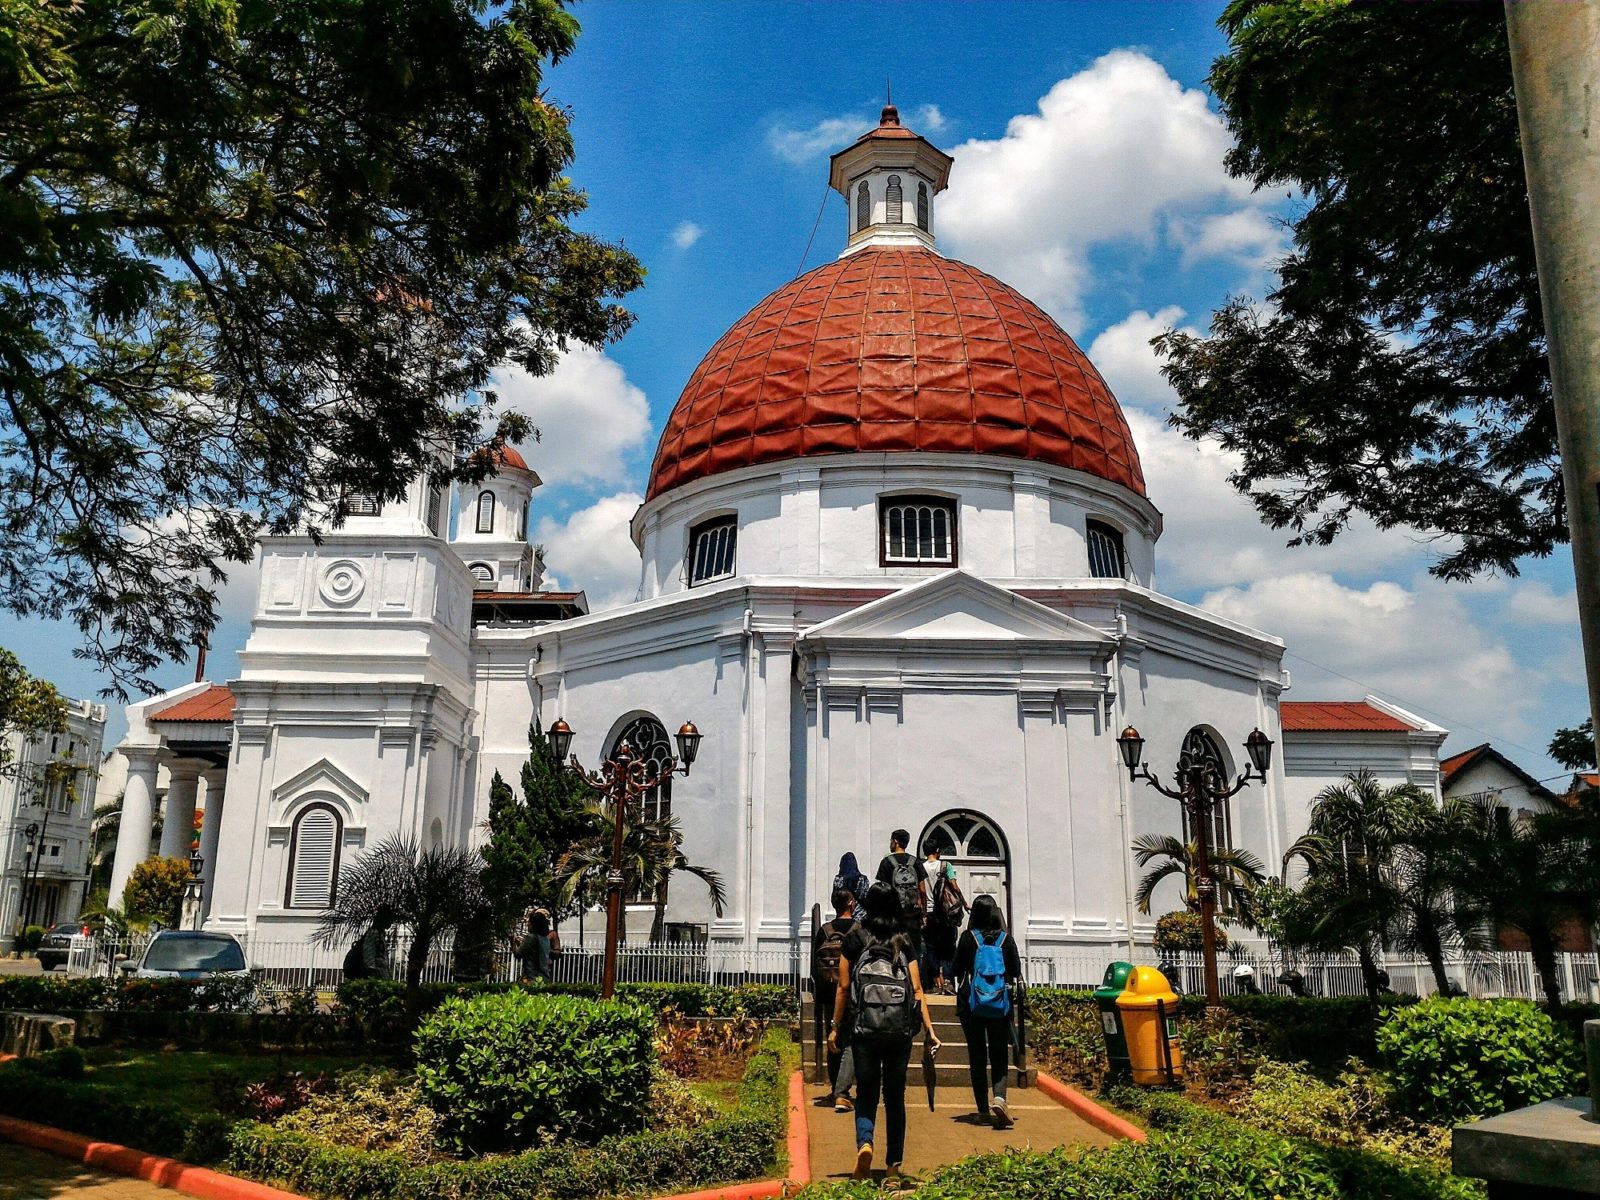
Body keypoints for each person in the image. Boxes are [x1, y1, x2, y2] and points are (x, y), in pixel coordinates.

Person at [829, 882, 940, 1186]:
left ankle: (865, 1144)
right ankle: (893, 1168)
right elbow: (917, 990)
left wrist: (836, 1027)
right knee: (894, 1098)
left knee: (866, 1092)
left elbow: (842, 986)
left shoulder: (855, 938)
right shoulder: (904, 940)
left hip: (863, 1030)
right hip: (899, 1032)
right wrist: (930, 1031)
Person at [952, 894, 1022, 1129]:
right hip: (999, 1005)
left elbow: (956, 968)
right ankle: (1000, 1098)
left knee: (977, 1056)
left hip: (971, 1005)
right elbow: (1014, 970)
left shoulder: (968, 938)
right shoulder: (1006, 940)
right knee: (999, 1053)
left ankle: (982, 1110)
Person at [812, 887, 859, 1111]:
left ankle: (834, 1088)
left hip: (827, 993)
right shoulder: (859, 930)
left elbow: (814, 964)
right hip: (851, 994)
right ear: (850, 903)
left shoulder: (824, 930)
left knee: (833, 1038)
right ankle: (842, 1091)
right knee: (849, 1040)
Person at [875, 829, 927, 967]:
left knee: (894, 947)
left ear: (895, 842)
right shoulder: (915, 862)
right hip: (913, 915)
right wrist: (924, 913)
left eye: (891, 841)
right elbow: (922, 890)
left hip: (893, 916)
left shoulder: (886, 862)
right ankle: (915, 980)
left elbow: (882, 891)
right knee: (914, 950)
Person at [921, 839, 964, 993]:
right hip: (946, 914)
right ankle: (948, 981)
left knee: (931, 949)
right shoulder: (946, 866)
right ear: (937, 850)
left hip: (929, 913)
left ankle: (934, 984)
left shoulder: (920, 867)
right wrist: (964, 903)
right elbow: (954, 886)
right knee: (948, 949)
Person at [517, 908, 553, 981]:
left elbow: (518, 954)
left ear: (534, 924)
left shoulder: (530, 937)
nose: (527, 924)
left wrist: (513, 943)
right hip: (543, 977)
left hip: (531, 977)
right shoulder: (545, 939)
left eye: (529, 922)